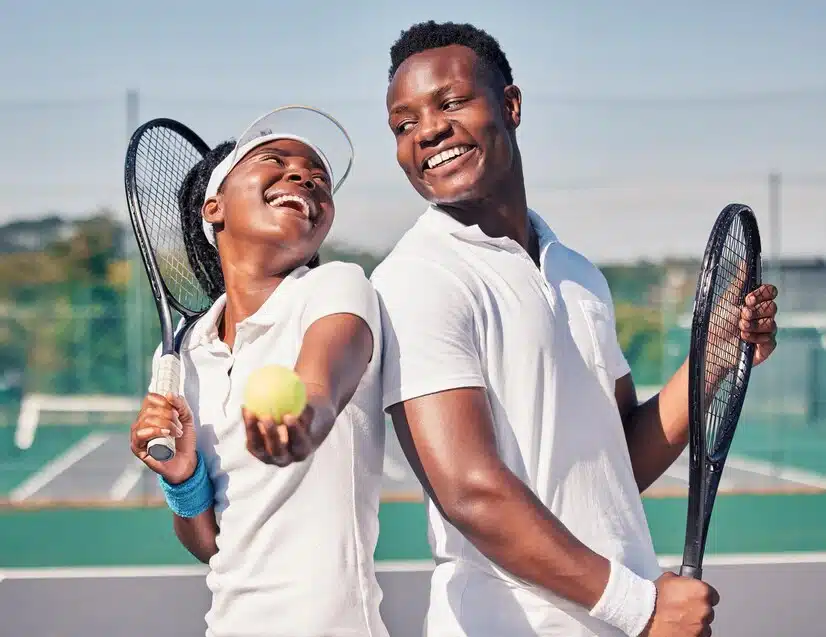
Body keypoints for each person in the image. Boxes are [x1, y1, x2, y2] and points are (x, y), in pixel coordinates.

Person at [371, 21, 780, 637]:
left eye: (451, 103)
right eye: (404, 124)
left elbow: (619, 462)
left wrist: (713, 358)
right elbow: (469, 491)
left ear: (511, 106)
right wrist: (641, 608)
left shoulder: (578, 273)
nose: (427, 130)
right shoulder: (416, 277)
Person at [129, 108, 390, 637]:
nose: (304, 177)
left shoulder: (336, 287)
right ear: (214, 206)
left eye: (318, 178)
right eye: (276, 160)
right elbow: (216, 548)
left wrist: (303, 418)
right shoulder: (183, 359)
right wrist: (183, 479)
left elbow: (322, 382)